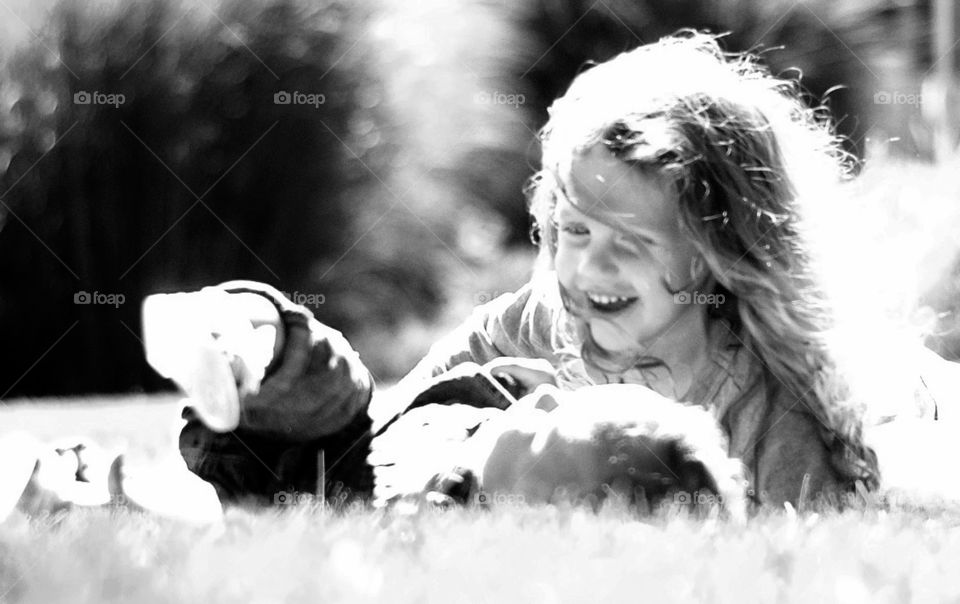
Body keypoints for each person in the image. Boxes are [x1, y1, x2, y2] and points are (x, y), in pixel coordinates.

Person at [175, 31, 891, 511]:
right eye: (573, 228)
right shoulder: (526, 324)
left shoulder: (770, 417)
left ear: (717, 249)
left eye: (631, 242)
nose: (587, 265)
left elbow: (810, 547)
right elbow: (384, 446)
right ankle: (255, 346)